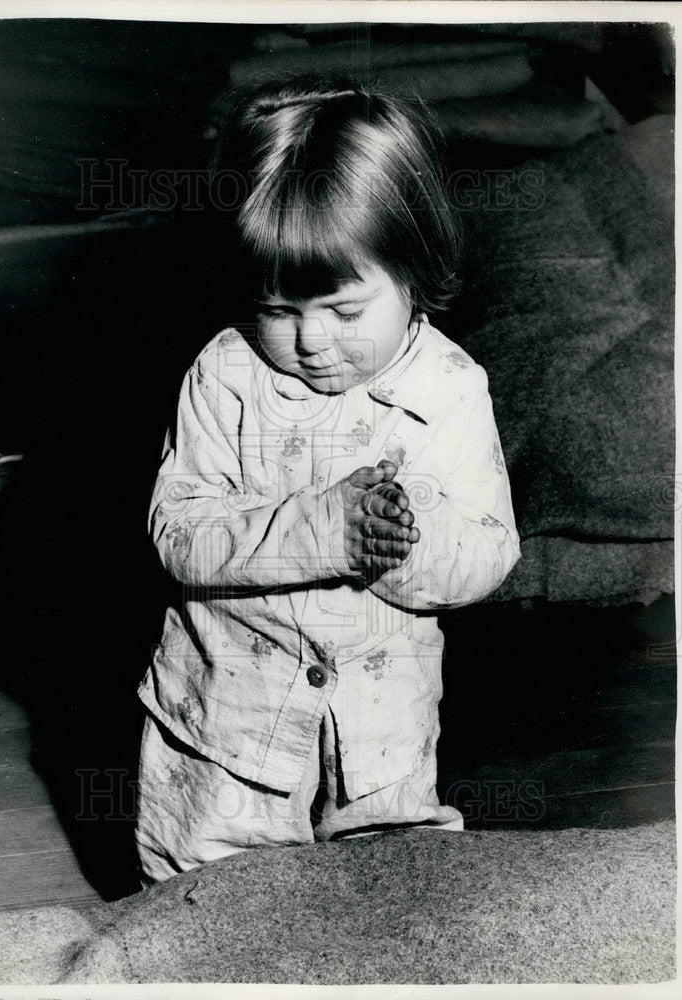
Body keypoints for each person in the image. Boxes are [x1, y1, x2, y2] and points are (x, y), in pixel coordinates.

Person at [135, 77, 521, 885]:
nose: (307, 340)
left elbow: (487, 555)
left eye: (343, 312)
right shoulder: (223, 375)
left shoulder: (449, 388)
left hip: (378, 750)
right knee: (198, 915)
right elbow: (179, 532)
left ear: (413, 270)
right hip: (224, 743)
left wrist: (403, 541)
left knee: (396, 906)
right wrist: (325, 530)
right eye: (274, 308)